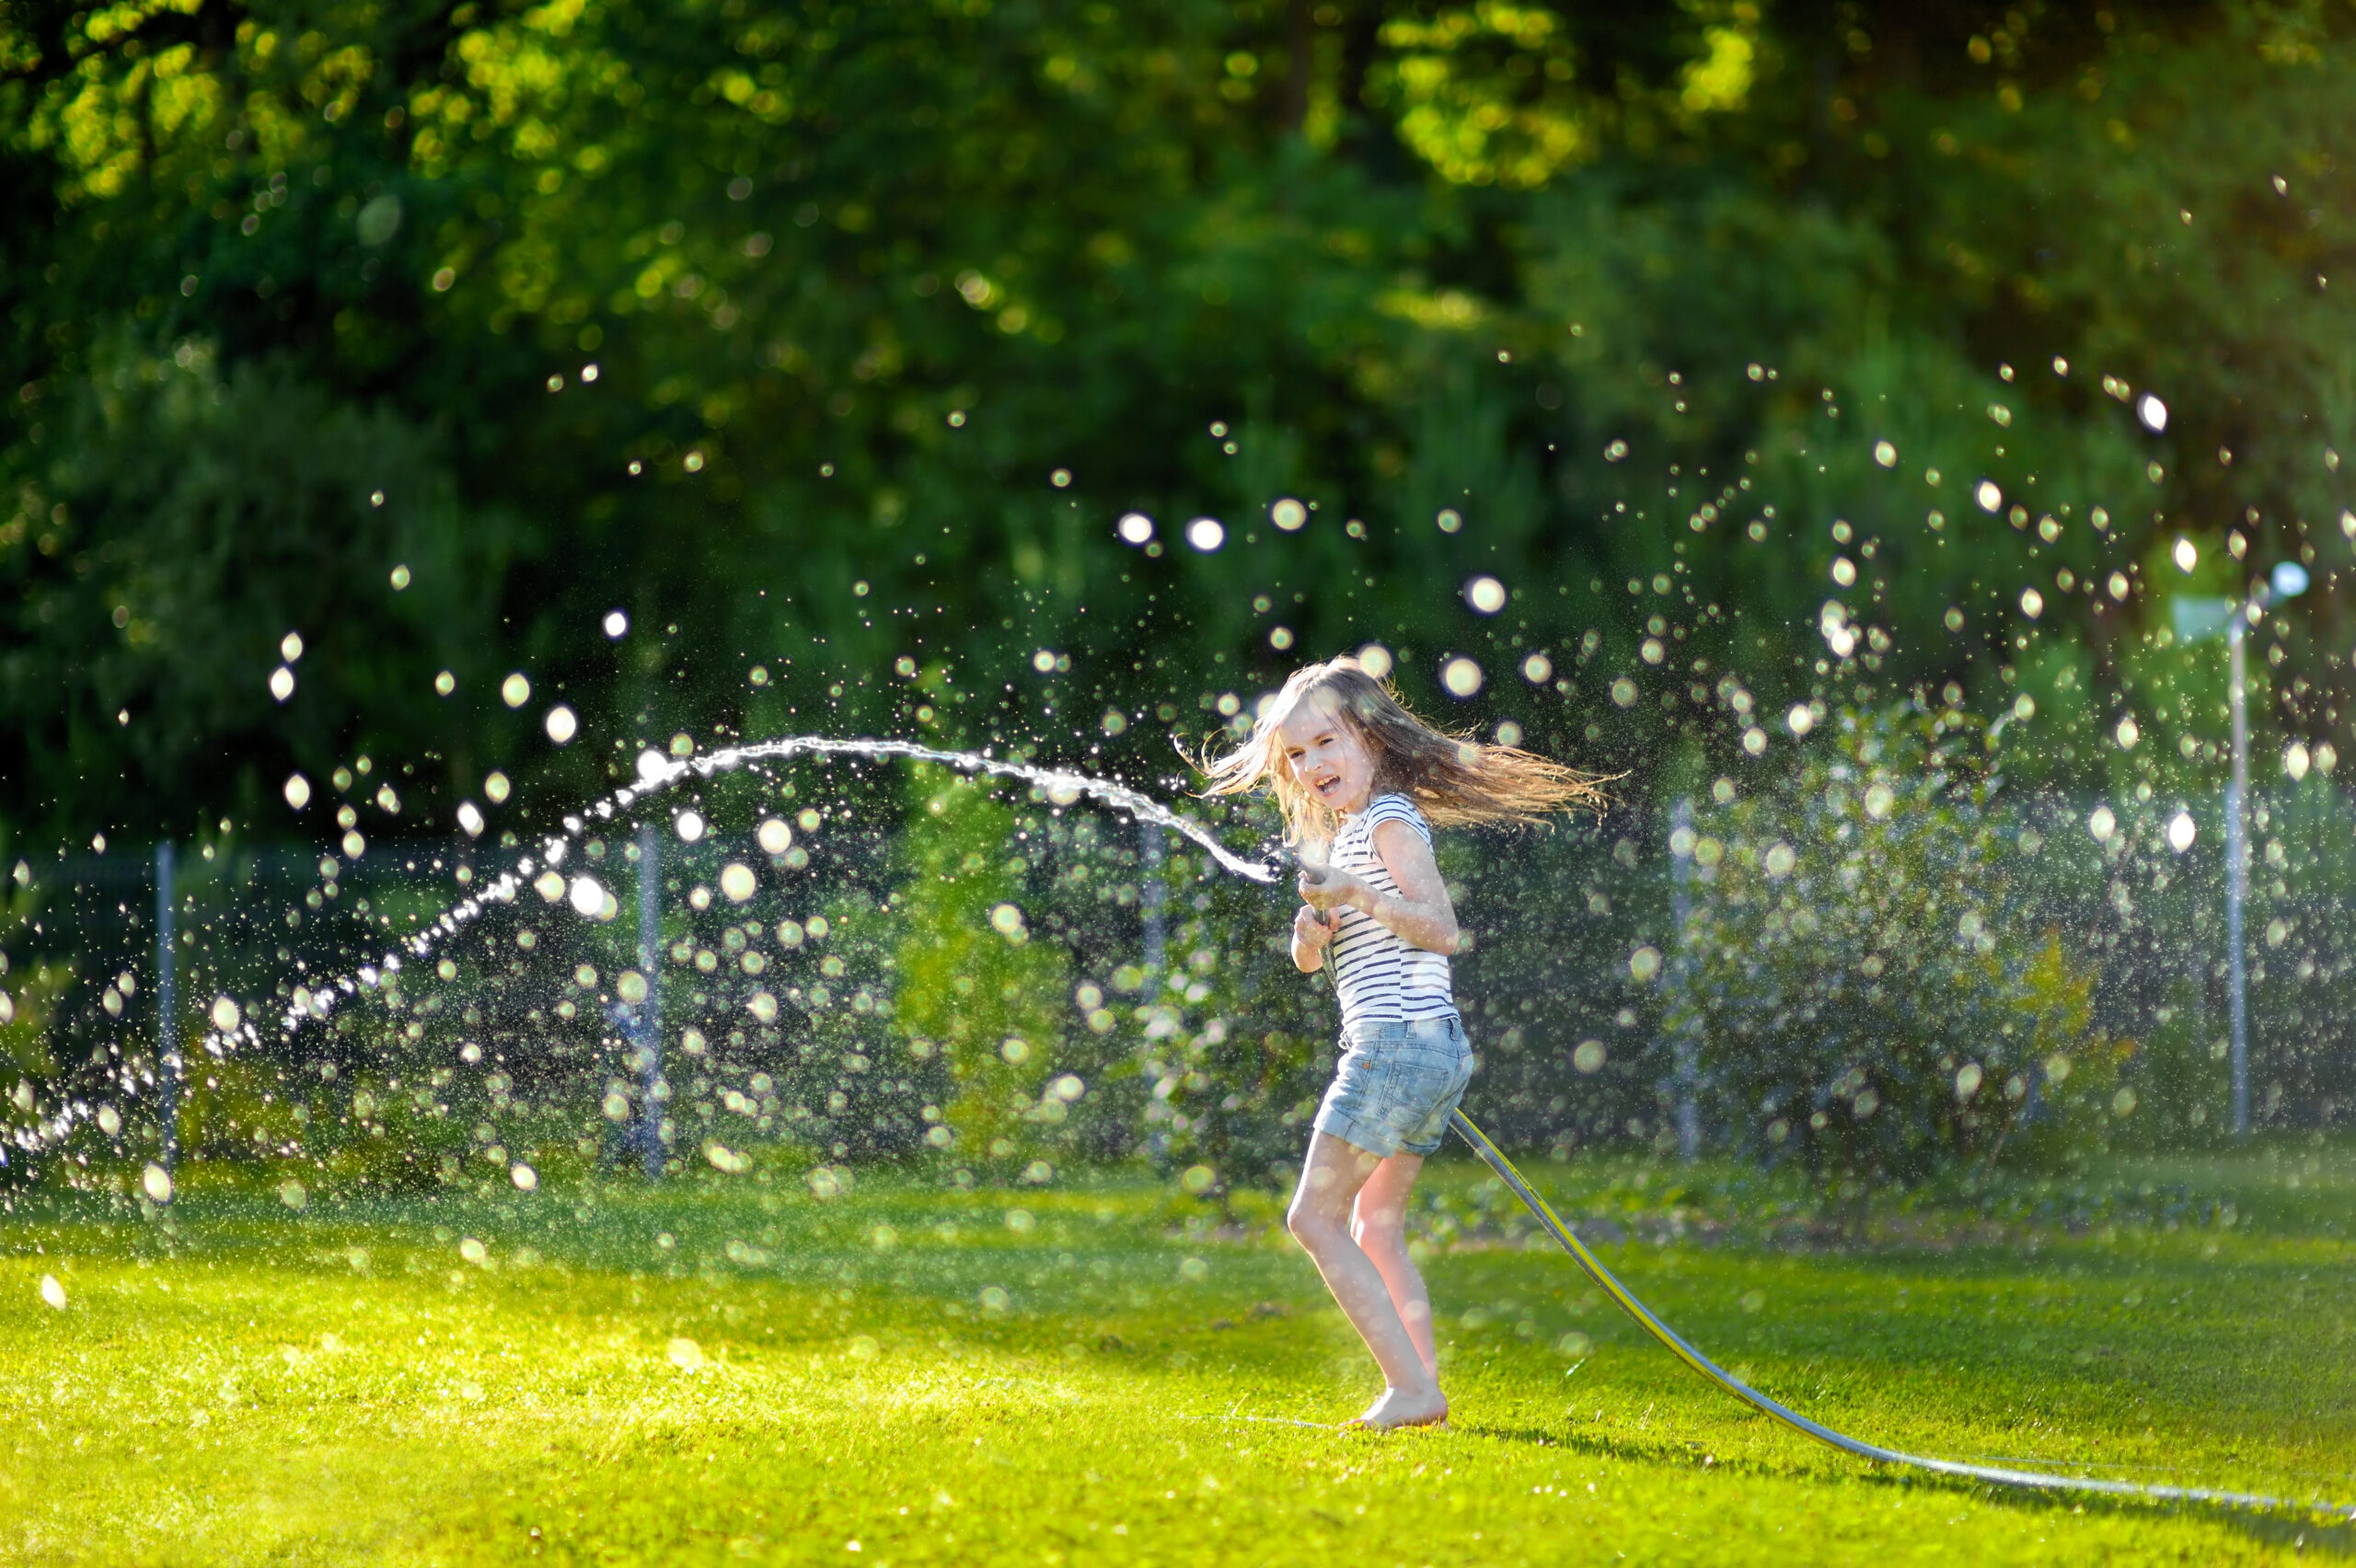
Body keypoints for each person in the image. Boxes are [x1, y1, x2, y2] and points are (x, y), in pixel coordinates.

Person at [1200, 657, 1602, 1430]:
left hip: (1396, 1047)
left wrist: (1355, 895)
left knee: (1311, 1220)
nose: (1312, 764)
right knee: (1373, 1225)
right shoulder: (1349, 835)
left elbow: (1441, 930)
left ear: (1374, 740)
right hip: (1422, 1048)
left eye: (1326, 742)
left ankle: (1413, 1390)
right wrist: (1309, 936)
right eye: (1297, 754)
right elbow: (1316, 959)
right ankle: (1421, 1393)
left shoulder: (1390, 819)